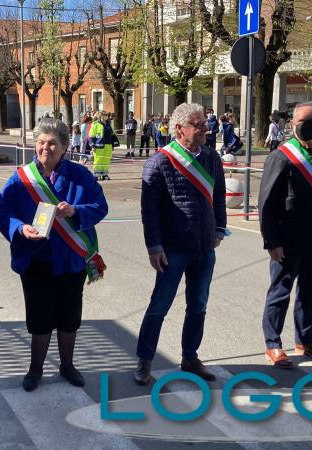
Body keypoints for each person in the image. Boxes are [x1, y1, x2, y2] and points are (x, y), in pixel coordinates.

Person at [0, 118, 108, 392]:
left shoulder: (81, 176)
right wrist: (20, 228)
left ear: (65, 146)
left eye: (53, 143)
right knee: (39, 318)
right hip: (36, 260)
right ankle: (35, 369)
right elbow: (2, 211)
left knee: (69, 316)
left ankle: (67, 366)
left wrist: (76, 211)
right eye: (41, 142)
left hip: (71, 259)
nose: (46, 148)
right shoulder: (21, 178)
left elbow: (100, 206)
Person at [133, 103, 227, 385]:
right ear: (179, 129)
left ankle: (190, 357)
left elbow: (219, 196)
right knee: (159, 305)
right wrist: (154, 247)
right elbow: (150, 211)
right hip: (173, 247)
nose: (205, 129)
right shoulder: (159, 162)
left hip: (204, 246)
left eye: (204, 124)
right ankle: (145, 360)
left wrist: (219, 229)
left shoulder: (211, 157)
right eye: (198, 125)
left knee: (198, 305)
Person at [258, 102, 312, 369]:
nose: (307, 126)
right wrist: (272, 241)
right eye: (302, 121)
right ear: (292, 124)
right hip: (288, 238)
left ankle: (305, 340)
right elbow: (267, 203)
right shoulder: (282, 156)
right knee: (280, 293)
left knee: (311, 292)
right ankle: (273, 344)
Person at [89, 112, 114, 180]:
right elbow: (92, 135)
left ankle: (104, 174)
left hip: (108, 144)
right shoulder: (95, 124)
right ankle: (97, 174)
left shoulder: (108, 124)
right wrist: (92, 145)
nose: (106, 116)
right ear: (100, 116)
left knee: (106, 159)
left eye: (106, 115)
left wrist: (113, 144)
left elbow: (112, 134)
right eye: (104, 115)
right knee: (98, 159)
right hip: (99, 145)